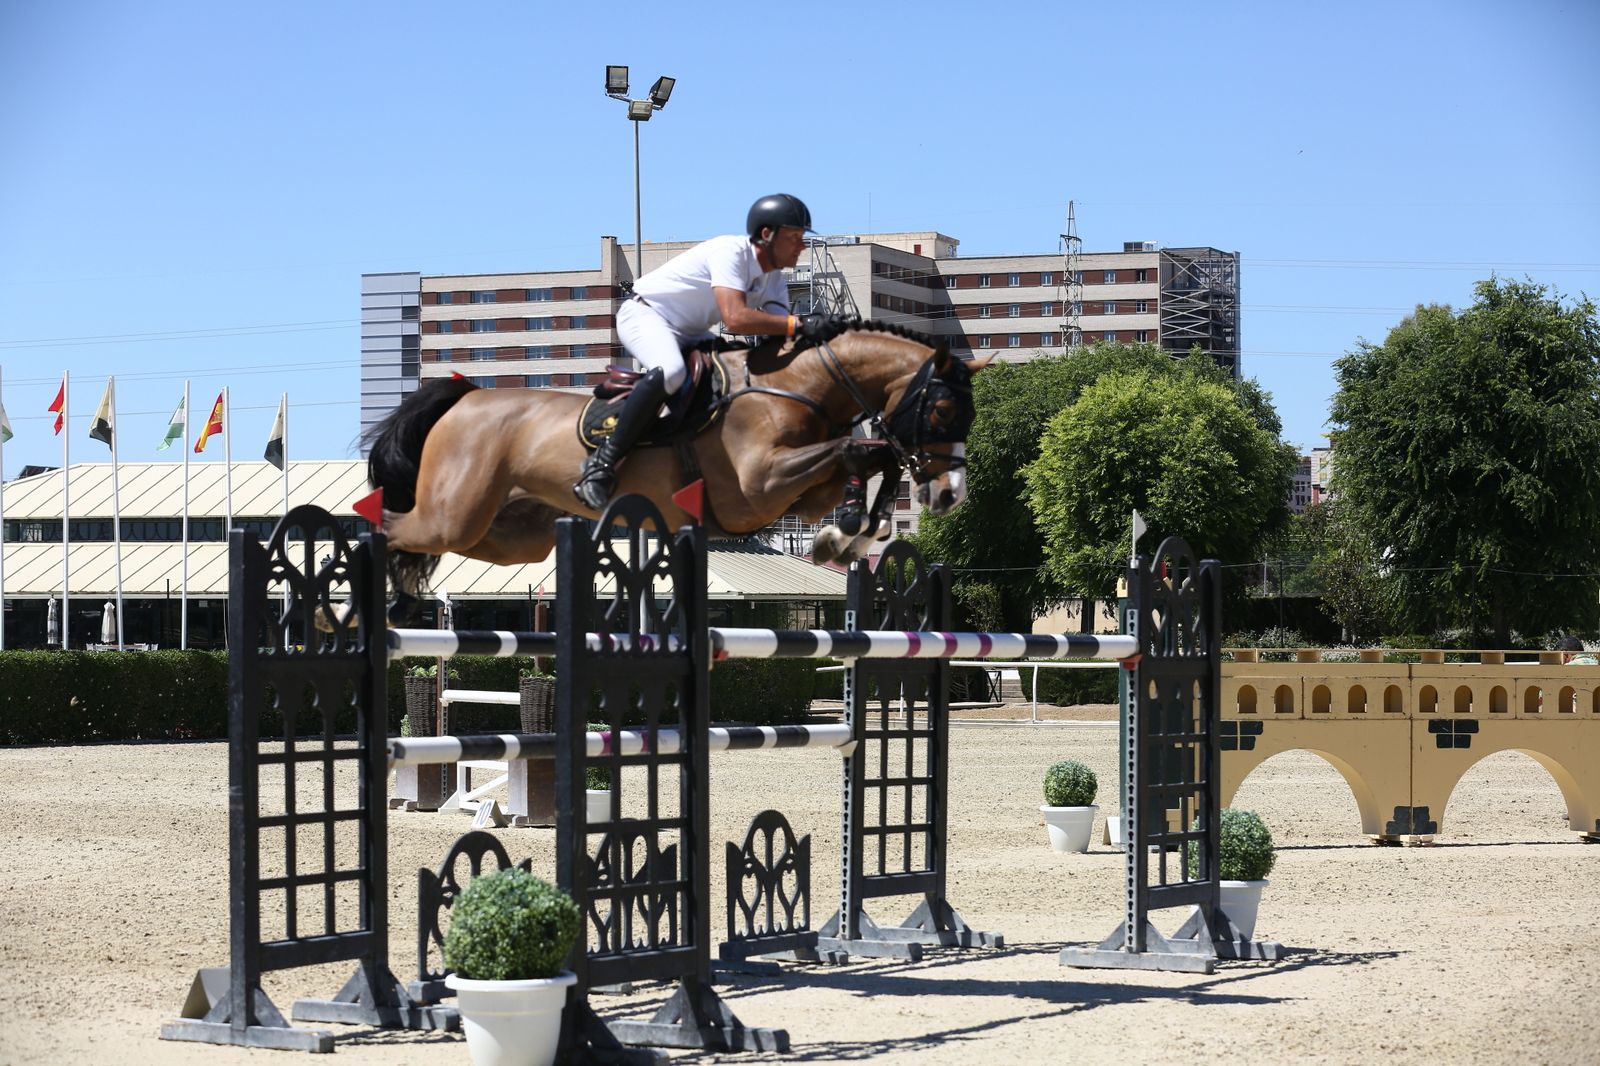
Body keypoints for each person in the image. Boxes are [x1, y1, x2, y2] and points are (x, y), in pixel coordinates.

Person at [573, 193, 832, 510]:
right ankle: (602, 464)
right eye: (794, 237)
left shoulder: (774, 277)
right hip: (647, 315)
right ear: (767, 235)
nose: (801, 246)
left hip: (689, 332)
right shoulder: (731, 252)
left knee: (736, 367)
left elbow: (778, 333)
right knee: (671, 372)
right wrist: (799, 324)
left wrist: (822, 334)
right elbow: (735, 318)